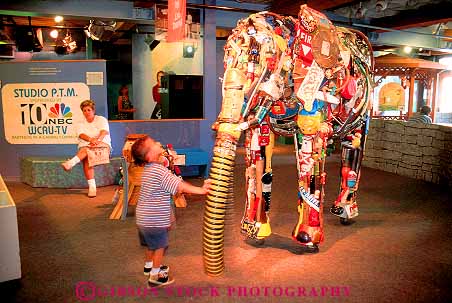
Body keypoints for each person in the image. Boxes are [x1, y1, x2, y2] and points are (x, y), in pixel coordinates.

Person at [131, 135, 211, 286]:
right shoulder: (160, 172)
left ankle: (149, 266)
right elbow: (180, 186)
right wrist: (201, 190)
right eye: (154, 143)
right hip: (154, 221)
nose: (158, 143)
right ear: (150, 155)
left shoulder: (149, 170)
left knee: (150, 244)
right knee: (160, 246)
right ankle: (155, 276)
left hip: (143, 219)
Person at [61, 100, 112, 198]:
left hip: (102, 146)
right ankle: (92, 188)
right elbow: (81, 135)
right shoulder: (80, 123)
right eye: (84, 110)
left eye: (89, 110)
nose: (87, 112)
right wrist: (90, 140)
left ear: (93, 110)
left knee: (86, 151)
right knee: (86, 155)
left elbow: (104, 131)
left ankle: (70, 163)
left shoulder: (101, 119)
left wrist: (97, 141)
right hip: (87, 147)